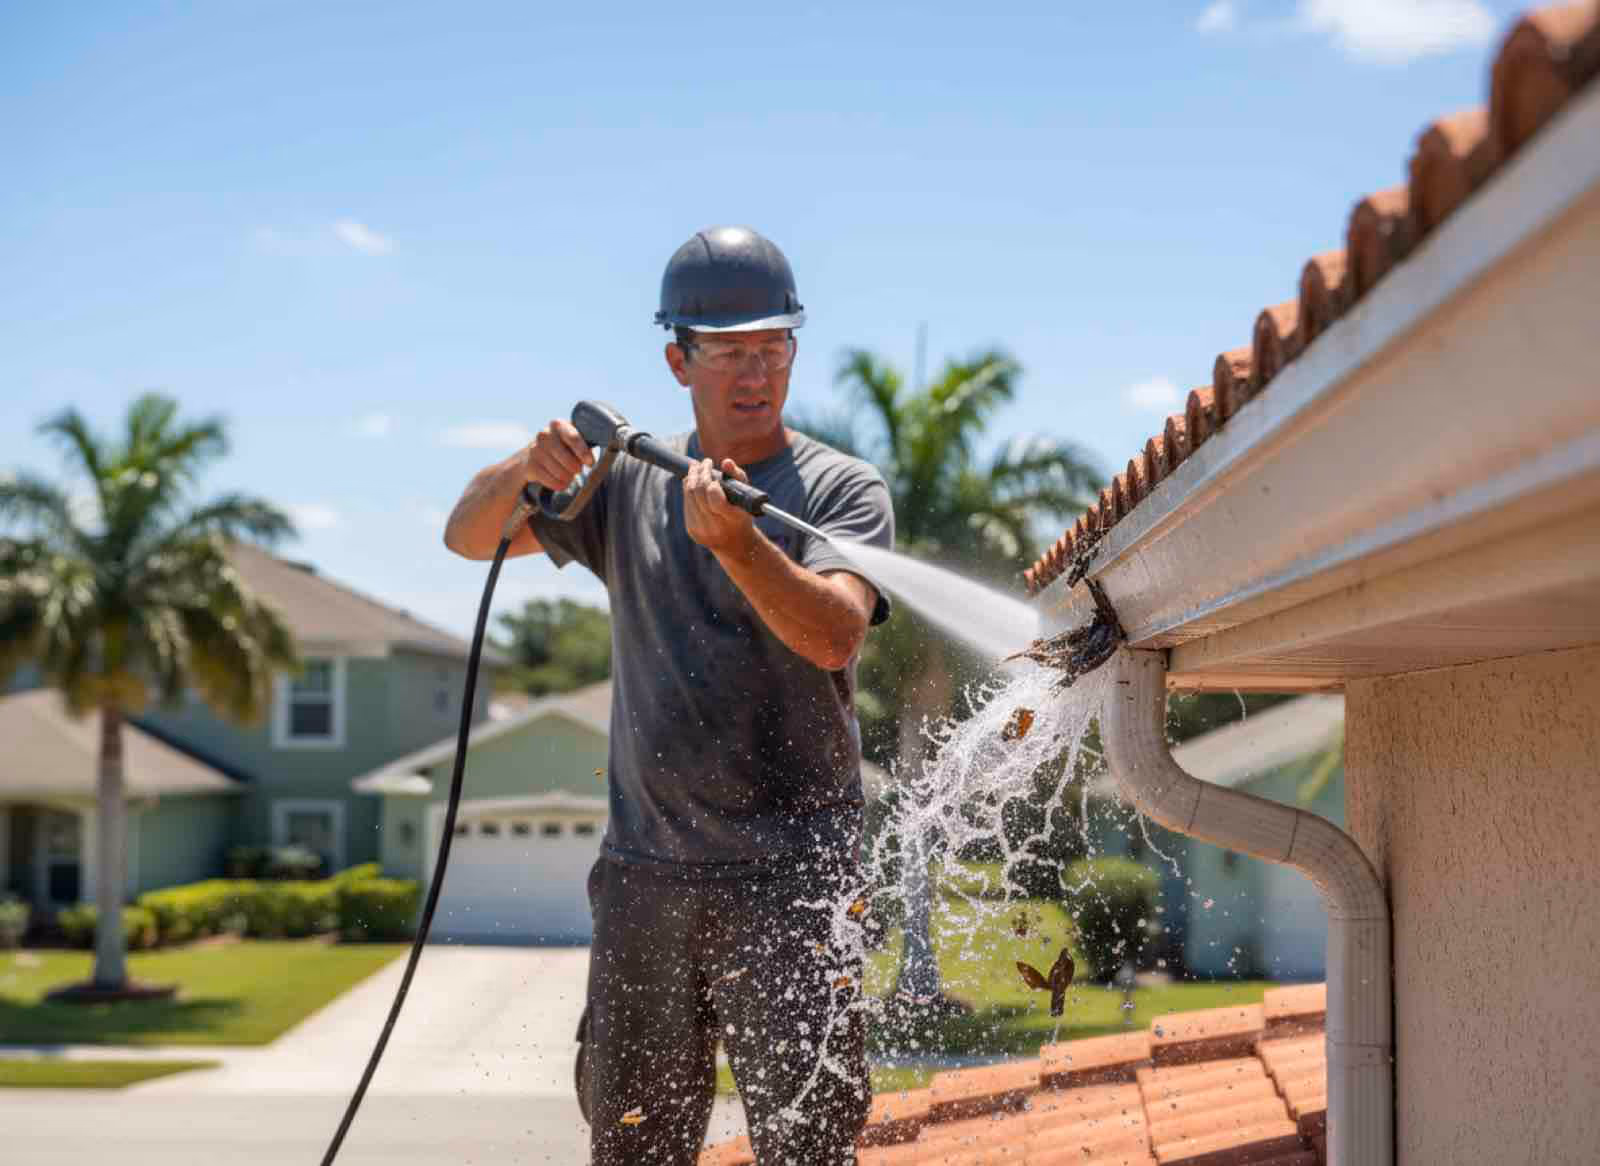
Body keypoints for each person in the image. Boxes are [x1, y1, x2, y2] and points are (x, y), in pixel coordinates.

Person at [443, 225, 894, 1164]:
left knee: (810, 1147)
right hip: (647, 877)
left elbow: (833, 634)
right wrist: (529, 468)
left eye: (772, 349)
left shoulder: (842, 491)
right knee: (635, 1146)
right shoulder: (626, 486)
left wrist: (740, 544)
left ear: (795, 352)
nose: (754, 373)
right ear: (677, 360)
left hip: (797, 883)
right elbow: (468, 538)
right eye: (728, 352)